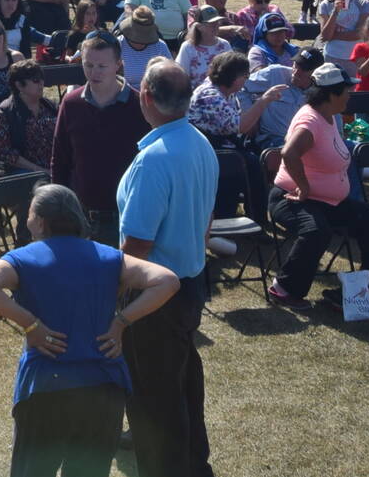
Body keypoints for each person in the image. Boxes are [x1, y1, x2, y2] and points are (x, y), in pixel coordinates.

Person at [0, 182, 180, 477]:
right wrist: (121, 322)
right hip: (103, 389)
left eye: (28, 213)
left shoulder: (23, 259)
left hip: (46, 389)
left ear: (40, 221)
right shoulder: (109, 258)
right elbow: (167, 281)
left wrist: (30, 325)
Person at [113, 59, 217, 477]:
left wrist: (118, 301)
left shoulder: (153, 160)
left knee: (155, 397)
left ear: (146, 97)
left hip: (153, 296)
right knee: (184, 383)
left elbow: (136, 247)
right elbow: (206, 221)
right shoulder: (200, 144)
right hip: (190, 284)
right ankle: (194, 465)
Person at [266, 61, 369, 310]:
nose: (350, 94)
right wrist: (304, 187)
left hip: (326, 200)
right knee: (316, 230)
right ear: (331, 94)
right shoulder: (310, 121)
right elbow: (289, 154)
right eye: (346, 90)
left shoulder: (330, 117)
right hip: (291, 198)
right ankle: (284, 288)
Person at [49, 31, 149, 243]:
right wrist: (59, 206)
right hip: (81, 214)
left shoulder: (138, 106)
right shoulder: (71, 104)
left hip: (127, 215)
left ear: (118, 65)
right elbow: (60, 159)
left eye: (102, 66)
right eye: (88, 65)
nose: (95, 72)